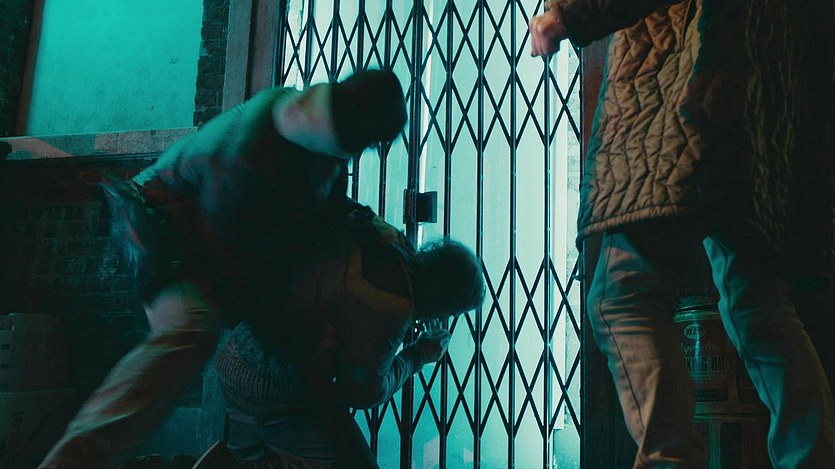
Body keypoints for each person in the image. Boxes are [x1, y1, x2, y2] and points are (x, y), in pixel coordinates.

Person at [39, 69, 409, 468]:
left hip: (207, 244)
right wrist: (297, 332)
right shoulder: (248, 158)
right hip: (160, 230)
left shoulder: (319, 141)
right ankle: (74, 459)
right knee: (190, 330)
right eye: (369, 143)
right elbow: (236, 267)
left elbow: (324, 218)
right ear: (356, 133)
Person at [530, 1, 835, 467]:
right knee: (759, 305)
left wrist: (568, 13)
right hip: (764, 109)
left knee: (622, 292)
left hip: (686, 88)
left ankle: (670, 461)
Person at [209, 200, 485, 468]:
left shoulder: (391, 241)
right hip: (271, 386)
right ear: (443, 304)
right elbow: (364, 393)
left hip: (237, 349)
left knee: (252, 450)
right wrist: (417, 356)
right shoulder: (392, 306)